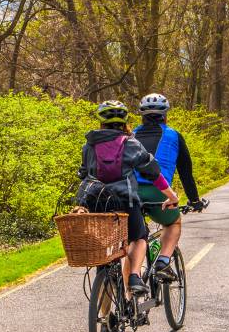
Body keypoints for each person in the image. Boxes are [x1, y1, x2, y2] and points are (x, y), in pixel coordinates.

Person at [76, 100, 179, 295]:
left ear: (101, 122)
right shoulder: (130, 143)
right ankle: (134, 277)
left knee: (104, 260)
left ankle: (105, 320)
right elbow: (153, 172)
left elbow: (83, 174)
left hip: (96, 204)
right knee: (139, 237)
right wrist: (171, 196)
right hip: (125, 202)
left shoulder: (88, 146)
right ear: (124, 121)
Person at [133, 93, 206, 280]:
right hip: (159, 192)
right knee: (173, 223)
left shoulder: (131, 135)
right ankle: (163, 261)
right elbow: (185, 173)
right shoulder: (174, 136)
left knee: (135, 240)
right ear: (166, 115)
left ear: (142, 116)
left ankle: (131, 292)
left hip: (130, 193)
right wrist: (195, 201)